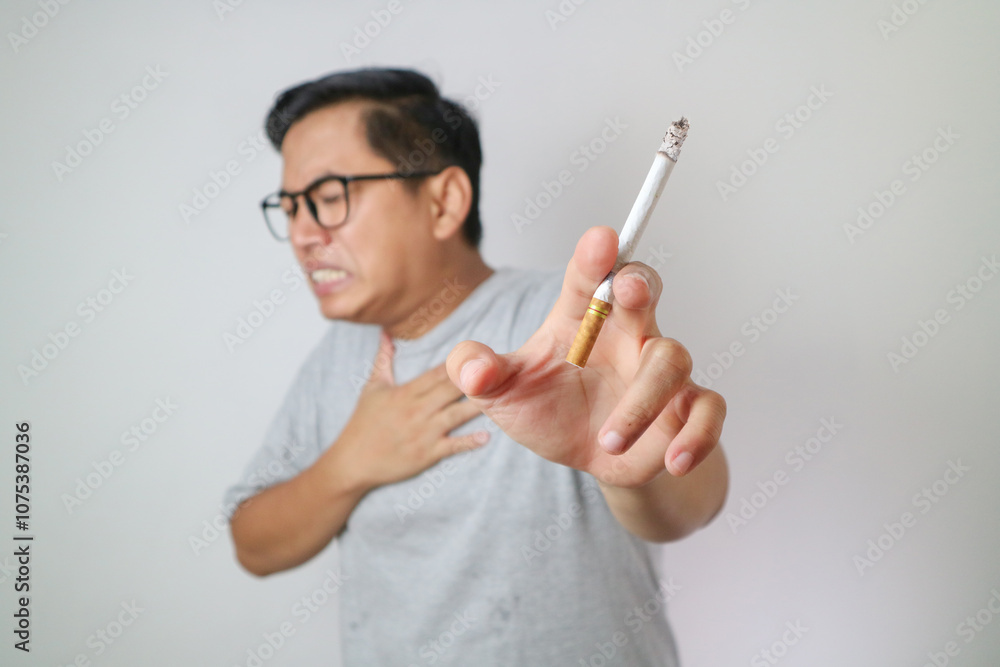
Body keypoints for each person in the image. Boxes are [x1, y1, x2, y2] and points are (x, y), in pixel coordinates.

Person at [224, 67, 729, 666]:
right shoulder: (338, 358)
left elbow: (696, 502)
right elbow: (253, 544)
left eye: (329, 198)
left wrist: (641, 464)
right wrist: (351, 463)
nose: (303, 233)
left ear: (443, 202)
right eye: (289, 207)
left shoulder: (567, 326)